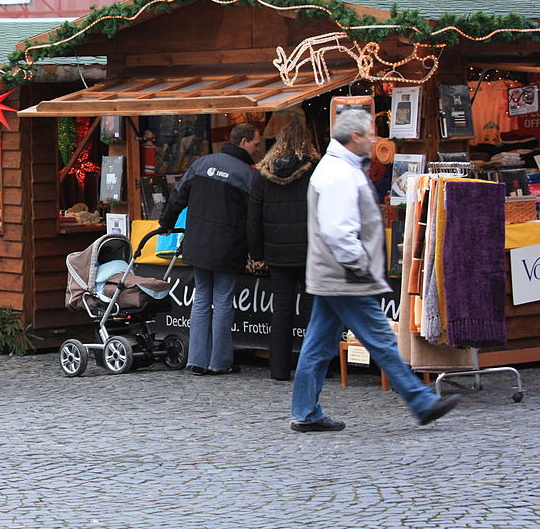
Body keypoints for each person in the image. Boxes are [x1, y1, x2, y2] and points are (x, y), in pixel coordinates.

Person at [290, 109, 459, 431]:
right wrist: (360, 265)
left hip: (334, 274)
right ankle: (421, 402)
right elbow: (339, 231)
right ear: (355, 137)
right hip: (345, 275)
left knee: (317, 346)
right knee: (380, 339)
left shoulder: (338, 168)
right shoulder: (339, 173)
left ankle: (305, 412)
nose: (374, 140)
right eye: (369, 134)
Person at [160, 122, 263, 376]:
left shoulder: (202, 163)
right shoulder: (248, 175)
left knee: (201, 299)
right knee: (223, 300)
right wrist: (257, 251)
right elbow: (254, 218)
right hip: (228, 245)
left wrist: (166, 223)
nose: (259, 149)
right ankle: (220, 362)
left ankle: (197, 360)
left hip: (198, 241)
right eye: (256, 144)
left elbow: (178, 196)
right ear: (243, 142)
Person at [247, 120, 319, 381]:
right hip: (310, 250)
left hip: (276, 251)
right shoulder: (315, 169)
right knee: (313, 309)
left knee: (282, 309)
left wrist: (258, 254)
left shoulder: (263, 172)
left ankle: (278, 369)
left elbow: (253, 217)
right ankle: (312, 367)